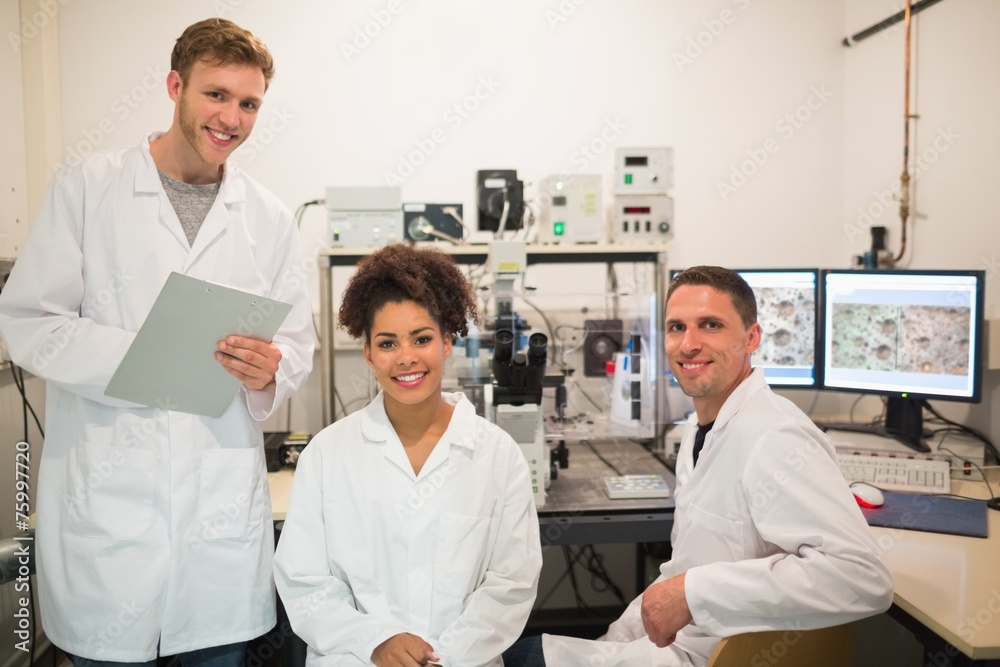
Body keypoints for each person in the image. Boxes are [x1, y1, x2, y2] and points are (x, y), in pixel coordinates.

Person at [0, 18, 314, 667]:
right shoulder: (88, 186)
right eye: (215, 94)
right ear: (176, 85)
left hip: (215, 534)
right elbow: (29, 321)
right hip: (109, 527)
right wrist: (150, 355)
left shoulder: (268, 217)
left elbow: (296, 344)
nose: (231, 117)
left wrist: (268, 369)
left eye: (249, 102)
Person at [505, 266, 893, 666]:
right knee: (499, 655)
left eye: (710, 325)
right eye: (676, 327)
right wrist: (617, 638)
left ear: (752, 338)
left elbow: (861, 577)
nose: (688, 344)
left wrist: (695, 592)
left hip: (720, 657)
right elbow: (681, 570)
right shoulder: (700, 429)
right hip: (675, 647)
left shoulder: (775, 435)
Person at [273, 243, 542, 667]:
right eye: (387, 343)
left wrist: (442, 656)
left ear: (447, 343)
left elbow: (512, 582)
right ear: (368, 355)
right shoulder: (327, 455)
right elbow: (304, 582)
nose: (406, 358)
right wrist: (376, 642)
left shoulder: (496, 454)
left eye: (421, 339)